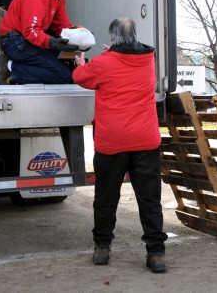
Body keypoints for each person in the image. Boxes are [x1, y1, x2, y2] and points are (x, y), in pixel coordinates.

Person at [72, 17, 168, 273]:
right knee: (149, 200)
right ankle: (156, 254)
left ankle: (102, 249)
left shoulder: (103, 63)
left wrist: (82, 62)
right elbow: (127, 59)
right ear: (134, 35)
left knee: (106, 198)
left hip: (112, 143)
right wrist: (112, 54)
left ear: (113, 38)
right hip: (146, 141)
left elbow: (81, 77)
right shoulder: (149, 59)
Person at [0, 0, 82, 84]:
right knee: (63, 75)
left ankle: (20, 65)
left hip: (25, 39)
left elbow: (62, 25)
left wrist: (80, 36)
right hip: (14, 41)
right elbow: (30, 32)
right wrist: (51, 42)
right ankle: (10, 68)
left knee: (58, 37)